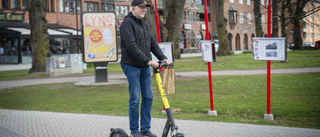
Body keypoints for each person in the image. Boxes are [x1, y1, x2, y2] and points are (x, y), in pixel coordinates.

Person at [119, 0, 170, 137]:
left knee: (148, 97)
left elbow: (152, 43)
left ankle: (145, 129)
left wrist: (163, 57)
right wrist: (148, 60)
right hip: (131, 65)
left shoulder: (144, 24)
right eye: (141, 7)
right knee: (135, 98)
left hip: (144, 66)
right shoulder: (127, 24)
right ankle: (135, 130)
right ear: (133, 8)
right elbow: (131, 46)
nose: (144, 9)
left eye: (145, 7)